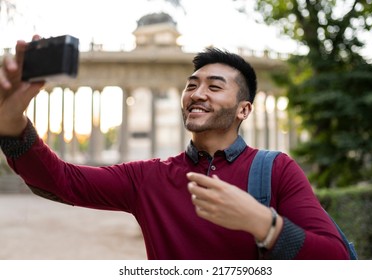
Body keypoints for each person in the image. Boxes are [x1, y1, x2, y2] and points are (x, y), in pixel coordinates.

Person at [0, 38, 350, 260]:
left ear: (243, 109)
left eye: (215, 86)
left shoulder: (277, 169)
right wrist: (11, 120)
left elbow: (336, 260)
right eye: (191, 85)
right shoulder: (148, 177)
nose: (197, 94)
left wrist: (264, 224)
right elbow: (62, 181)